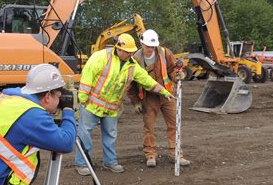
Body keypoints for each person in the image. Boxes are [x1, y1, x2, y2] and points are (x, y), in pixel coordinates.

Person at [74, 33, 173, 176]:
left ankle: (110, 162)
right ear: (118, 49)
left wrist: (163, 91)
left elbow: (146, 80)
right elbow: (87, 76)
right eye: (127, 52)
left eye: (132, 52)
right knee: (85, 135)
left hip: (112, 107)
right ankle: (82, 163)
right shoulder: (101, 57)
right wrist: (83, 98)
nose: (130, 54)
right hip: (91, 104)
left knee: (110, 135)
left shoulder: (132, 65)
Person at [127, 29, 190, 167]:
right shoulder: (135, 59)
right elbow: (131, 83)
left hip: (167, 95)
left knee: (174, 125)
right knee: (149, 127)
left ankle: (176, 154)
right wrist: (136, 102)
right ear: (142, 43)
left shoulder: (164, 52)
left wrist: (177, 75)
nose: (150, 49)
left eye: (152, 46)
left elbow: (173, 68)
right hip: (148, 97)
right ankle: (150, 155)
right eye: (148, 46)